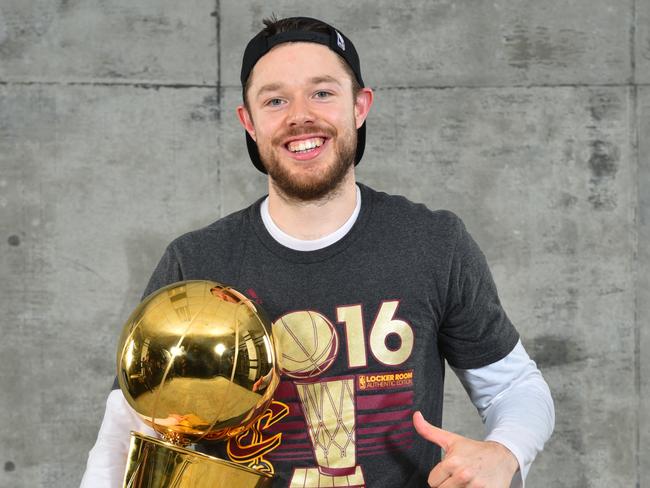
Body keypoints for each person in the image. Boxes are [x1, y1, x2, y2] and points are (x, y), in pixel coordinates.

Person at [80, 15, 554, 488]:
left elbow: (513, 387)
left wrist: (503, 453)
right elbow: (125, 429)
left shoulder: (432, 243)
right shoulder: (195, 264)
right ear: (248, 122)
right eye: (275, 99)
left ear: (360, 107)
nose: (299, 114)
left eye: (322, 92)